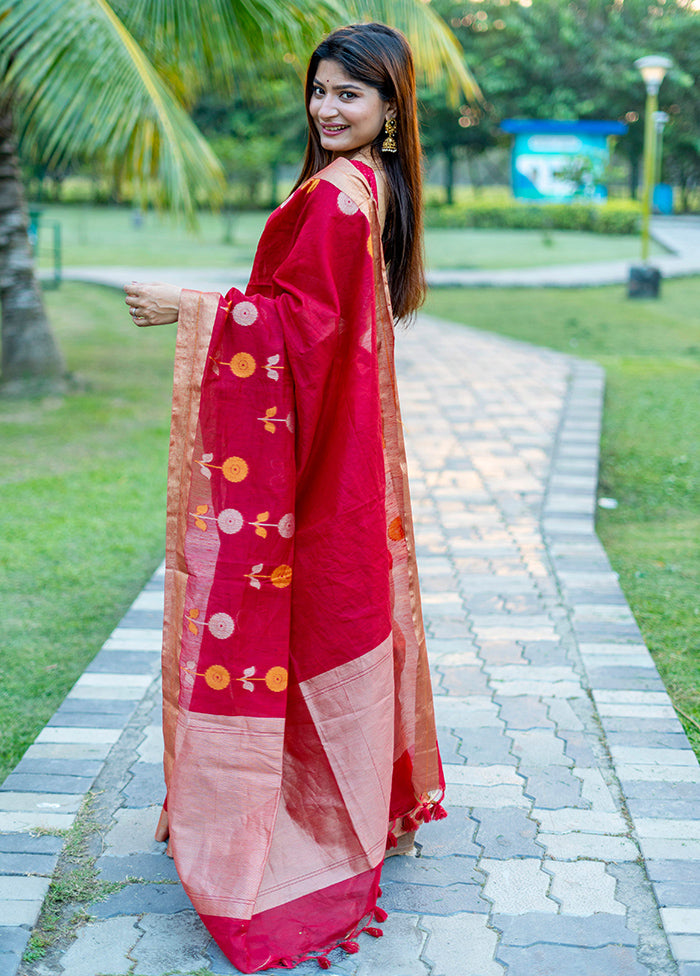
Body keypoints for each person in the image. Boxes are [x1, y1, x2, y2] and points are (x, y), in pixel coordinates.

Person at [124, 22, 444, 973]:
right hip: (337, 450)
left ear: (390, 112)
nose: (328, 107)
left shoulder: (347, 195)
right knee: (336, 604)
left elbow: (304, 327)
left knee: (296, 610)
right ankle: (360, 797)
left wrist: (192, 307)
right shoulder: (361, 186)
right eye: (320, 89)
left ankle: (299, 820)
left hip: (319, 457)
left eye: (351, 94)